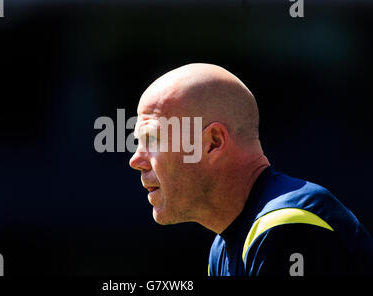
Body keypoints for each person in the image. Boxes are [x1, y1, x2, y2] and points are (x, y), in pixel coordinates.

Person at [129, 63, 373, 276]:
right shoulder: (223, 248)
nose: (136, 160)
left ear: (213, 142)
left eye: (154, 139)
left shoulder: (286, 226)